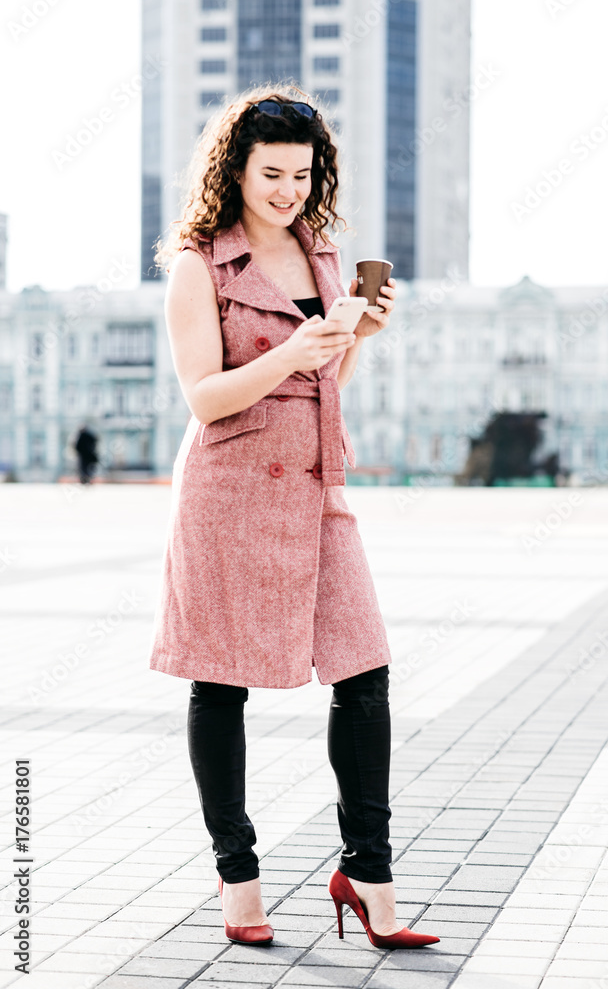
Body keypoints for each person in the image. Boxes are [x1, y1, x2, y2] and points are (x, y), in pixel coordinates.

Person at [149, 85, 439, 950]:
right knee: (220, 679)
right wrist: (293, 352)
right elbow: (206, 400)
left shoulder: (322, 259)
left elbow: (320, 395)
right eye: (271, 172)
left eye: (302, 175)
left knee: (366, 672)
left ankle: (368, 874)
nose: (287, 190)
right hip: (229, 492)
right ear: (233, 168)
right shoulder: (200, 265)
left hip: (316, 493)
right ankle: (238, 878)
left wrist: (356, 342)